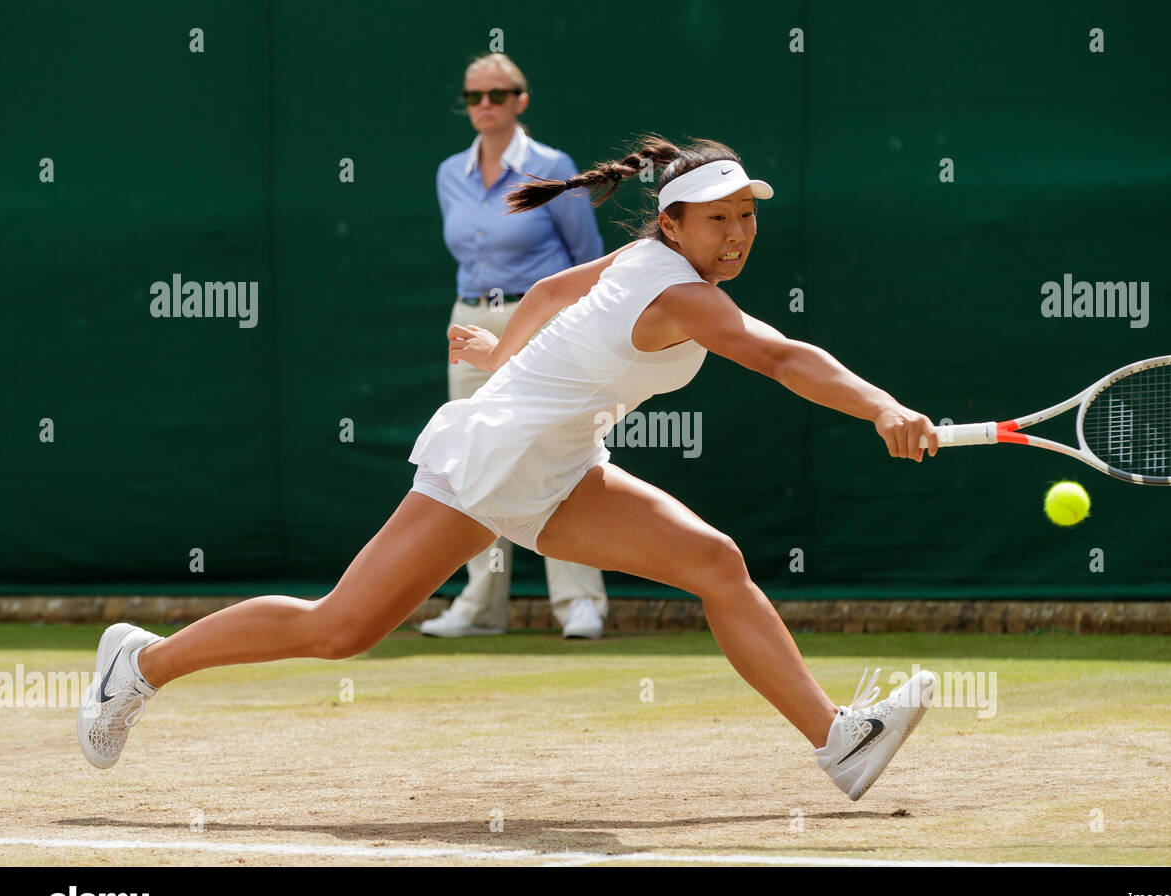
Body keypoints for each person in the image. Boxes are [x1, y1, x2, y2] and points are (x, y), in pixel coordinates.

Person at [77, 134, 942, 802]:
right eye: (718, 218)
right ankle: (141, 665)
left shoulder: (648, 261)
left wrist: (505, 363)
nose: (738, 233)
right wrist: (882, 407)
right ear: (673, 224)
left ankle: (838, 741)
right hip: (492, 461)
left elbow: (547, 295)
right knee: (340, 628)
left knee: (715, 561)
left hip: (559, 466)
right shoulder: (679, 290)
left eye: (747, 216)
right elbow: (784, 358)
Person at [423, 52, 608, 640]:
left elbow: (587, 261)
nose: (484, 106)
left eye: (497, 95)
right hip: (467, 319)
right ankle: (479, 608)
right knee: (470, 457)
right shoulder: (449, 172)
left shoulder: (554, 167)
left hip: (541, 322)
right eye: (474, 96)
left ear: (520, 100)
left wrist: (578, 334)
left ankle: (581, 603)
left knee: (557, 451)